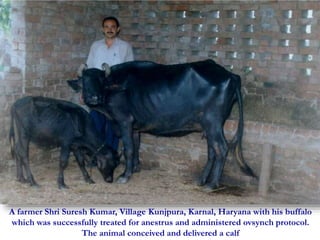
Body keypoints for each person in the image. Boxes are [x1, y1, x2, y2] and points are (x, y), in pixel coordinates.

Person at [86, 16, 134, 152]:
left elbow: (129, 71)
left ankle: (111, 155)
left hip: (116, 92)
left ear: (118, 29)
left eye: (113, 27)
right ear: (102, 29)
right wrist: (86, 92)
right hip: (97, 91)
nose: (110, 29)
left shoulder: (125, 47)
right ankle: (96, 155)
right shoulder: (95, 46)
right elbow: (89, 69)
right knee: (96, 123)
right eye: (106, 27)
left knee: (113, 125)